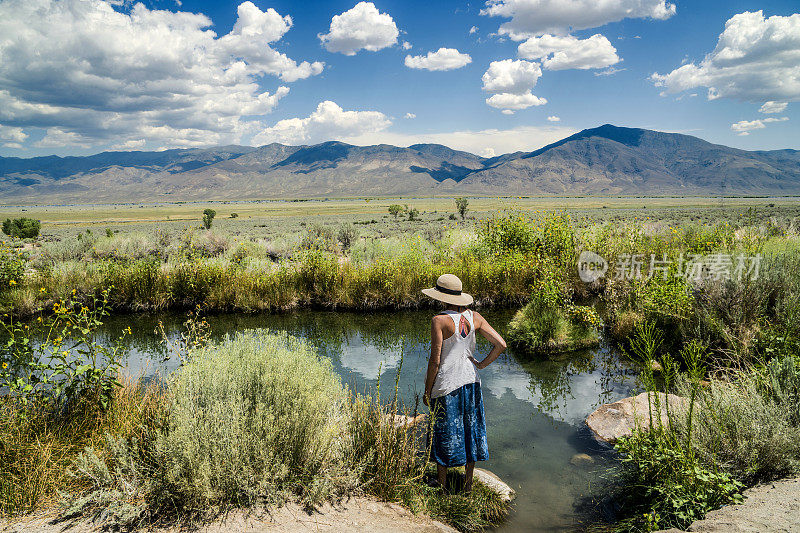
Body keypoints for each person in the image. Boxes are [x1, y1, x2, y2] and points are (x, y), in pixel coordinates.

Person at [422, 273, 506, 493]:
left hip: (447, 384)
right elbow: (501, 344)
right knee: (471, 429)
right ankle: (467, 486)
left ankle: (442, 484)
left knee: (444, 431)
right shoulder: (475, 317)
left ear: (441, 297)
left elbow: (435, 360)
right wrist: (481, 365)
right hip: (471, 381)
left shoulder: (439, 320)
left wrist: (427, 390)